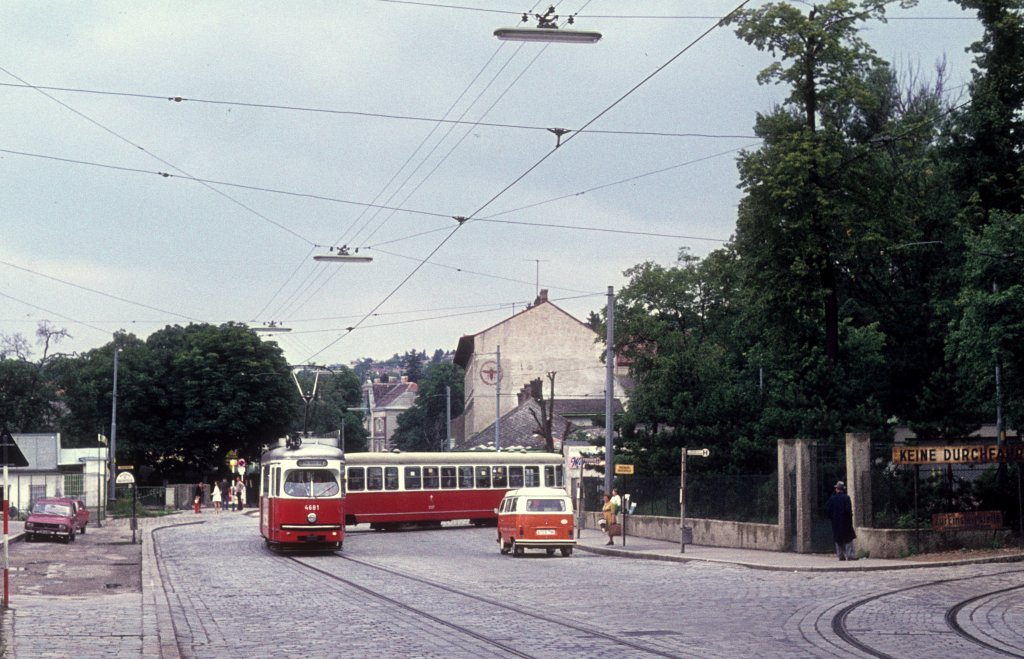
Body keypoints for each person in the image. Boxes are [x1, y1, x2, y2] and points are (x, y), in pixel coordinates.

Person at [825, 480, 856, 561]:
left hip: (836, 522)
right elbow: (848, 510)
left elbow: (828, 510)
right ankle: (850, 555)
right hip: (845, 521)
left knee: (838, 538)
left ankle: (840, 555)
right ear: (843, 489)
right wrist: (849, 519)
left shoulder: (832, 499)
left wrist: (831, 518)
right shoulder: (846, 498)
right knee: (848, 538)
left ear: (837, 489)